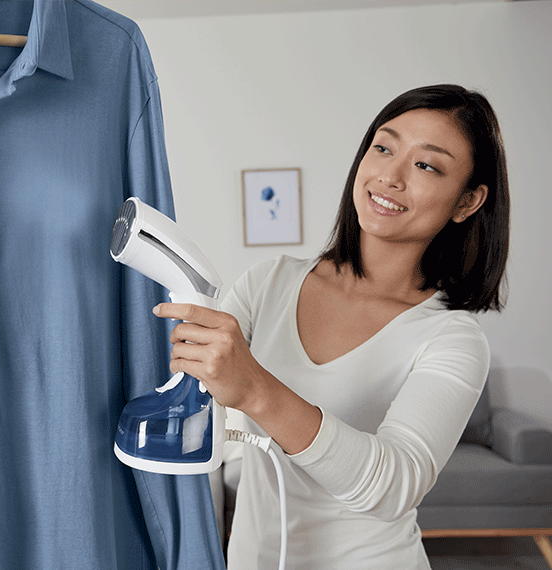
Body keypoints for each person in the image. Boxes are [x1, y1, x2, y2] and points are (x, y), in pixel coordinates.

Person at [153, 84, 510, 569]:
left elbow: (392, 486)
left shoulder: (452, 339)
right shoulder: (269, 282)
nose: (391, 175)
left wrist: (256, 389)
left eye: (426, 165)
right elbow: (184, 392)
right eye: (383, 147)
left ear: (467, 202)